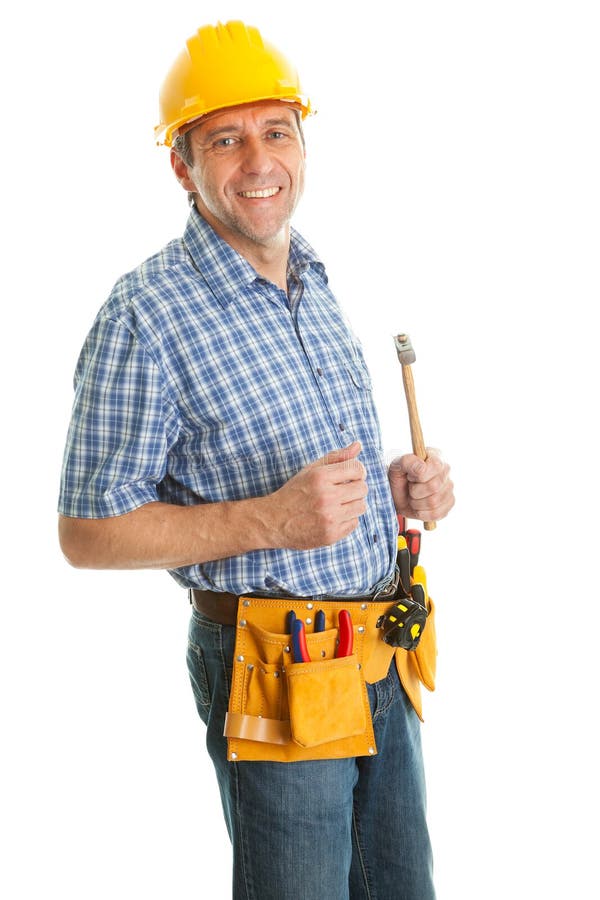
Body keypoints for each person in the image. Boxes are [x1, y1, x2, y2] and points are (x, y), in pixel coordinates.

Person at [58, 20, 454, 900]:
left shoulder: (312, 276)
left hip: (379, 655)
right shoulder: (145, 315)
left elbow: (317, 488)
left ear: (303, 144)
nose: (258, 161)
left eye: (276, 131)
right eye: (225, 140)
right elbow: (87, 531)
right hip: (272, 664)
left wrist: (392, 493)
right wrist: (270, 519)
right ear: (182, 167)